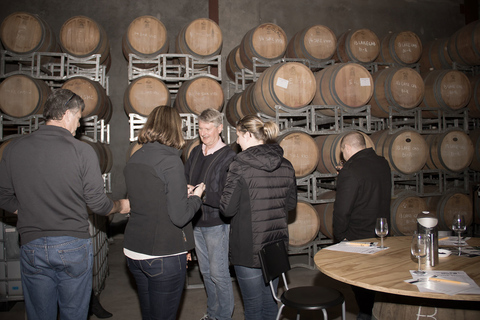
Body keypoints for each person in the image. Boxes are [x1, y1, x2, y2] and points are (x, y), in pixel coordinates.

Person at [0, 88, 130, 320]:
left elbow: (3, 195)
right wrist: (120, 205)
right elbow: (98, 204)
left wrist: (25, 210)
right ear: (67, 114)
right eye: (79, 117)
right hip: (71, 244)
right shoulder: (81, 151)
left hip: (32, 244)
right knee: (74, 314)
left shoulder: (14, 148)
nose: (79, 125)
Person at [123, 105, 205, 320]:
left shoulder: (135, 158)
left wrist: (179, 192)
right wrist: (196, 198)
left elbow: (149, 197)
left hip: (134, 251)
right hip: (162, 254)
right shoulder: (171, 161)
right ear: (175, 128)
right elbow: (179, 217)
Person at [220, 115, 297, 320]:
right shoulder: (286, 165)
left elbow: (226, 209)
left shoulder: (239, 166)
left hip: (248, 247)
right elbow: (290, 205)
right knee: (270, 303)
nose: (236, 141)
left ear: (247, 134)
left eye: (238, 135)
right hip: (274, 246)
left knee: (253, 308)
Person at [332, 131, 391, 320]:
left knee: (362, 287)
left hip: (358, 237)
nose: (344, 158)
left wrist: (341, 237)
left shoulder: (350, 170)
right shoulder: (383, 163)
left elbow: (342, 211)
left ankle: (366, 315)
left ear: (347, 148)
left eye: (343, 153)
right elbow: (369, 185)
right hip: (381, 233)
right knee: (375, 282)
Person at [184, 108, 237, 320]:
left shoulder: (229, 156)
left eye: (208, 129)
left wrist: (202, 194)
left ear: (220, 128)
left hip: (216, 224)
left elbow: (228, 195)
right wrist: (186, 188)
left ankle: (223, 316)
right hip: (196, 222)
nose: (203, 133)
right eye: (200, 128)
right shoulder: (196, 152)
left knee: (219, 274)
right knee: (205, 273)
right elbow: (185, 175)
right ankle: (212, 313)